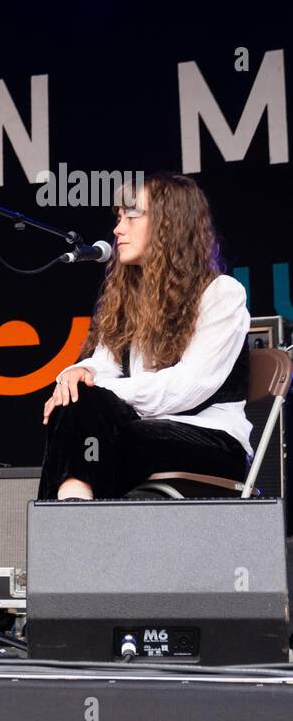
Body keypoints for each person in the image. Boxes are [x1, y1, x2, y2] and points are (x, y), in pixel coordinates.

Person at [39, 173, 251, 500]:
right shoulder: (130, 298)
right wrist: (80, 375)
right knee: (78, 402)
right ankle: (73, 511)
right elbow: (104, 365)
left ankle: (68, 523)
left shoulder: (222, 293)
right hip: (143, 431)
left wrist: (96, 387)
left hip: (212, 439)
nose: (117, 229)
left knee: (102, 427)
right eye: (119, 217)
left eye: (132, 216)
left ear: (171, 223)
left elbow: (187, 387)